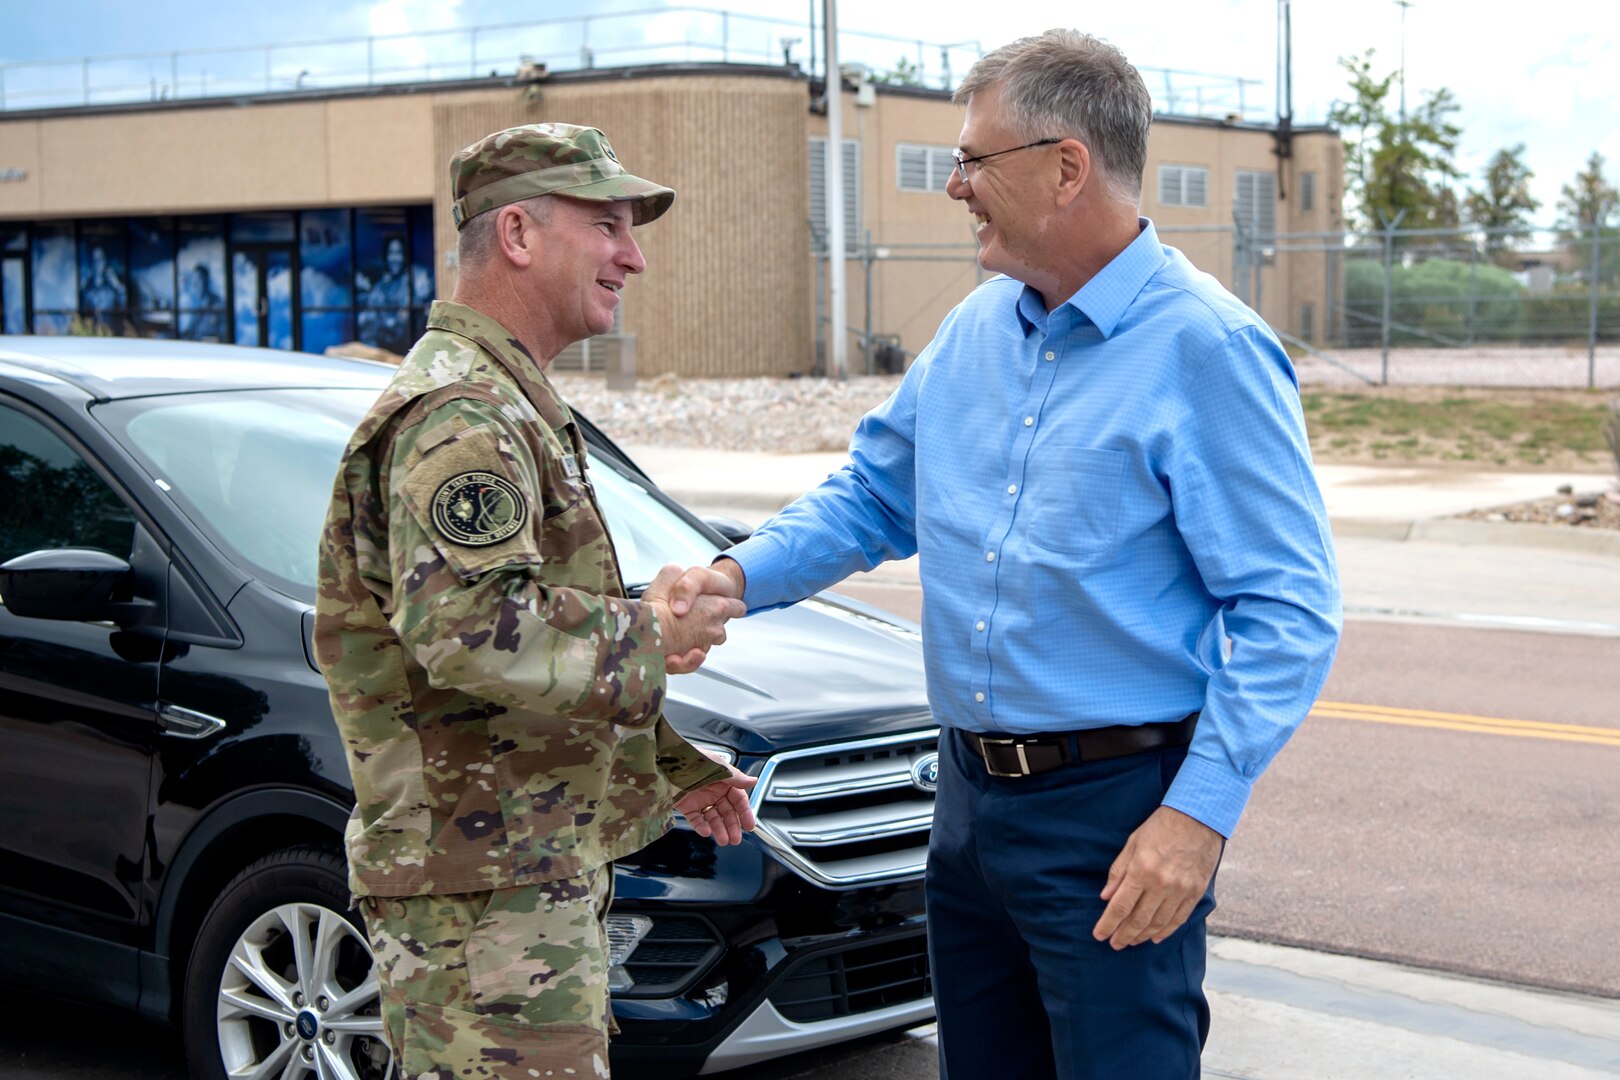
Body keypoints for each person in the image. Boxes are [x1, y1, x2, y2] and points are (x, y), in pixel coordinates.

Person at [673, 30, 1342, 1079]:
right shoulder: (976, 330)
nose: (955, 186)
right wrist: (734, 578)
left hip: (1118, 820)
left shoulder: (1205, 348)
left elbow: (1287, 610)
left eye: (976, 160)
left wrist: (1197, 817)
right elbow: (872, 499)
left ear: (1066, 165)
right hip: (968, 810)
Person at [314, 122, 756, 1079]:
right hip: (483, 898)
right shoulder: (463, 414)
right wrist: (655, 629)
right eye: (607, 226)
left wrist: (668, 759)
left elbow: (516, 622)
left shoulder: (504, 401)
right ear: (517, 234)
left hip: (511, 878)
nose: (632, 256)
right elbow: (471, 630)